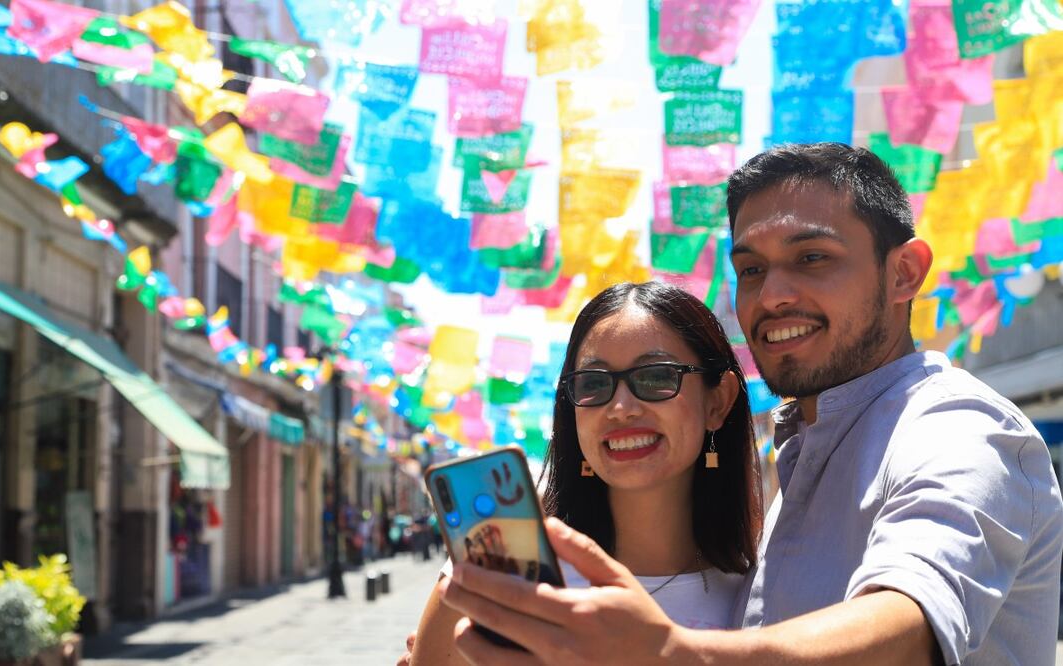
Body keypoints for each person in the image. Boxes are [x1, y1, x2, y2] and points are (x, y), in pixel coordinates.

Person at [434, 143, 1063, 665]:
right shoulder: (804, 459)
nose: (774, 295)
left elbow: (910, 615)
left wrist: (673, 654)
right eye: (752, 269)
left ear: (904, 273)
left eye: (812, 258)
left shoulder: (956, 429)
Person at [407, 281, 765, 664]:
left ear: (718, 400)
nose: (621, 407)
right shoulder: (500, 578)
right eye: (594, 384)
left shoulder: (766, 587)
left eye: (657, 377)